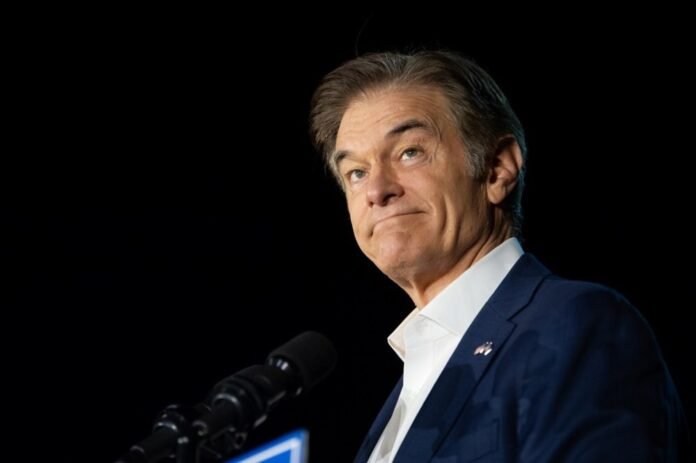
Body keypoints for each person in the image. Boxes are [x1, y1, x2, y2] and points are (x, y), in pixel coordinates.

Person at [309, 50, 691, 462]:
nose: (376, 191)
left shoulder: (574, 324)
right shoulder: (404, 395)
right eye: (357, 172)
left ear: (497, 169)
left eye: (409, 152)